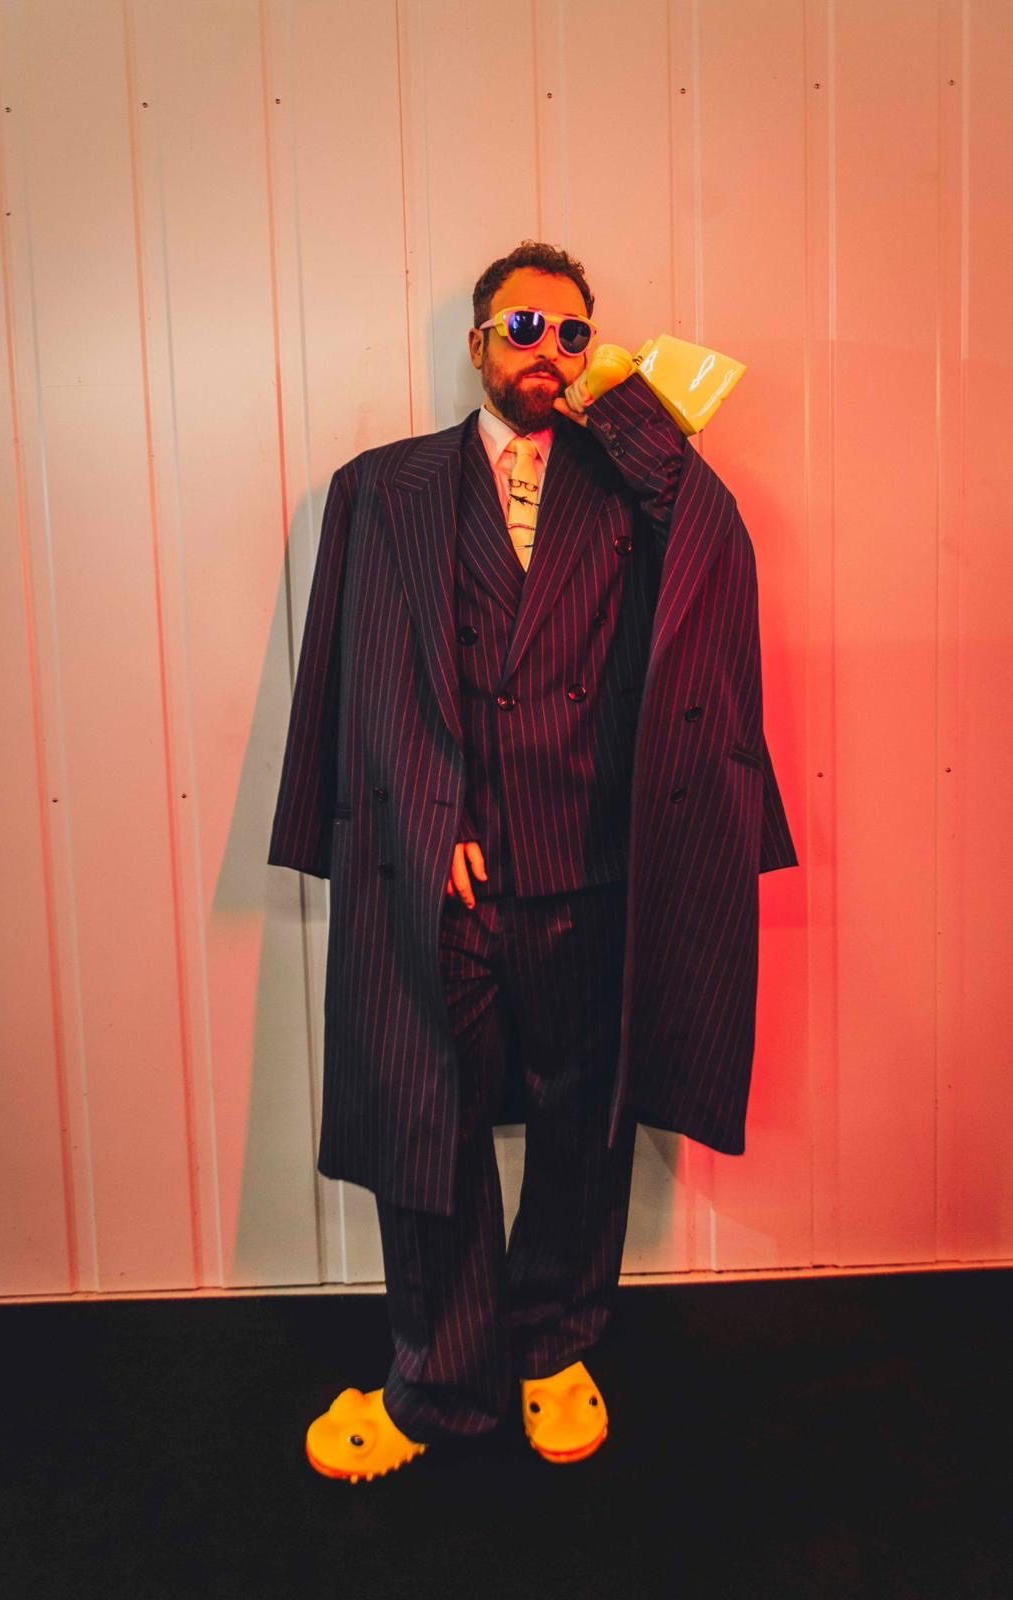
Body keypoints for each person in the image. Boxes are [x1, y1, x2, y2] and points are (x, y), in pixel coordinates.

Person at [268, 240, 798, 1484]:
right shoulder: (382, 488)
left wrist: (626, 408)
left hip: (590, 859)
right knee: (426, 1118)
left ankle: (553, 1342)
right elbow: (354, 671)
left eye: (571, 334)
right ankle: (440, 1377)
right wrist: (415, 818)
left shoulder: (630, 489)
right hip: (440, 866)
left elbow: (717, 554)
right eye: (522, 328)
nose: (545, 351)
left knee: (582, 1116)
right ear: (476, 344)